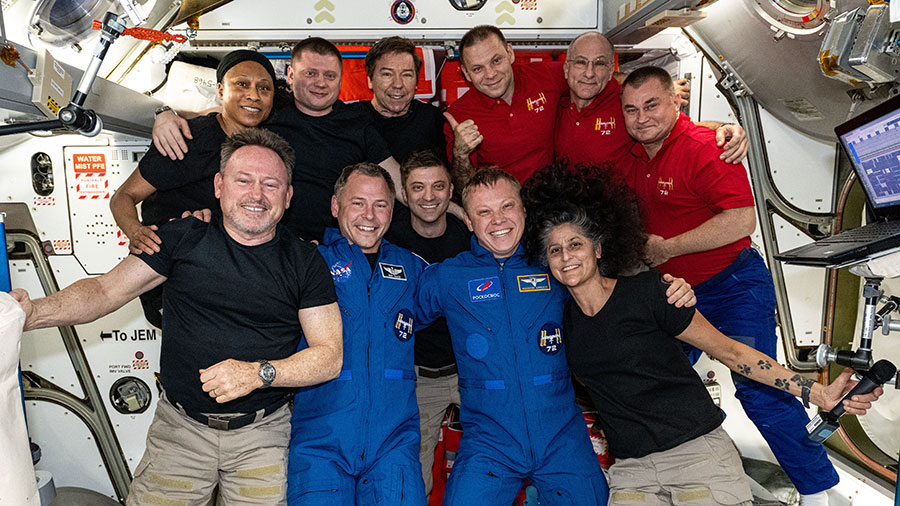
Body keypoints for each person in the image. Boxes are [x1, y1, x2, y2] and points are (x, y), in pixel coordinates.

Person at [12, 128, 343, 505]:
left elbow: (329, 356)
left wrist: (257, 373)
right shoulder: (183, 237)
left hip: (262, 436)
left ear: (288, 196)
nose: (256, 194)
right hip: (180, 431)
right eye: (243, 180)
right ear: (219, 186)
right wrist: (33, 311)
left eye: (271, 184)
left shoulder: (305, 262)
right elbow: (105, 291)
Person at [520, 163, 883, 506]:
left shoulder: (652, 293)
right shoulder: (563, 323)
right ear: (546, 260)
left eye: (576, 244)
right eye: (555, 250)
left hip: (697, 456)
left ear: (598, 249)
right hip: (633, 472)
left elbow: (733, 353)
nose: (566, 256)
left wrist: (819, 392)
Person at [620, 66, 840, 505]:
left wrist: (669, 248)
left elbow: (741, 220)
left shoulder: (705, 147)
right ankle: (715, 465)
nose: (641, 118)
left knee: (761, 391)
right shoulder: (630, 157)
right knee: (656, 384)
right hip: (674, 292)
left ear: (675, 101)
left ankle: (821, 492)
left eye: (651, 105)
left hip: (733, 284)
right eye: (631, 109)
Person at [415, 168, 695, 505]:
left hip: (561, 437)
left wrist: (671, 287)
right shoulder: (446, 277)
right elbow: (391, 321)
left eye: (506, 206)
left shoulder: (556, 263)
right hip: (489, 443)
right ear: (469, 221)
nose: (497, 220)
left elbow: (620, 294)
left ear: (523, 209)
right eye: (483, 212)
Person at [151, 38, 402, 242]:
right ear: (291, 75)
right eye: (311, 73)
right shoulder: (270, 111)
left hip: (333, 246)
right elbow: (220, 115)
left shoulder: (358, 124)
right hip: (269, 242)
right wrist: (165, 114)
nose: (320, 83)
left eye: (329, 76)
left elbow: (398, 184)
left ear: (340, 78)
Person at [443, 26, 745, 186]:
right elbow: (464, 185)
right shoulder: (459, 116)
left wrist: (653, 88)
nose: (491, 73)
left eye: (496, 60)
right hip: (508, 212)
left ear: (510, 53)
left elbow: (592, 76)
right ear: (465, 74)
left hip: (568, 207)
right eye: (478, 68)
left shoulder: (547, 76)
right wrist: (460, 152)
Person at [287, 163, 426, 505]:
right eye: (358, 203)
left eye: (380, 204)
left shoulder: (412, 267)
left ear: (392, 211)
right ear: (336, 206)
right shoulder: (307, 262)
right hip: (321, 446)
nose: (370, 215)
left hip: (394, 448)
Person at [110, 49, 277, 327]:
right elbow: (123, 197)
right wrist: (136, 232)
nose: (254, 95)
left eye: (264, 88)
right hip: (172, 277)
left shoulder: (264, 146)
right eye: (242, 84)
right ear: (221, 90)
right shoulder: (187, 138)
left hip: (224, 278)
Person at [384, 150, 470, 499]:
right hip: (419, 375)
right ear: (404, 193)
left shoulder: (472, 237)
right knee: (412, 474)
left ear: (451, 191)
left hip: (470, 371)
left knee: (493, 458)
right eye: (417, 188)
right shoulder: (387, 236)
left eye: (438, 186)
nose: (429, 196)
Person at [555, 31, 747, 172]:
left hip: (613, 217)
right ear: (566, 69)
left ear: (609, 70)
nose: (589, 73)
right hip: (569, 212)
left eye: (599, 63)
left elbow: (672, 126)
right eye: (581, 62)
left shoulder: (627, 103)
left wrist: (725, 127)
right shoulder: (556, 100)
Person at [351, 36, 446, 163]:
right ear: (370, 80)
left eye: (407, 75)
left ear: (417, 82)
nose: (398, 84)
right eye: (387, 74)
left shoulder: (434, 120)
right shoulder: (350, 119)